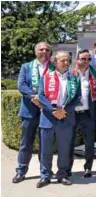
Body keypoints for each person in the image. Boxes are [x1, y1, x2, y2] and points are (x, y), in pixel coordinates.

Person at [36, 51, 81, 188]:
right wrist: (54, 110)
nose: (66, 63)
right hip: (48, 118)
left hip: (66, 118)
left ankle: (62, 174)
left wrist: (64, 110)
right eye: (63, 60)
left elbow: (77, 98)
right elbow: (41, 96)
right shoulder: (46, 77)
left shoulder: (74, 79)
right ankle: (45, 175)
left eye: (68, 60)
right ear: (55, 63)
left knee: (64, 149)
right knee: (46, 149)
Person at [13, 42, 54, 184]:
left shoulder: (54, 68)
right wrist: (34, 97)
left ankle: (45, 172)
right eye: (41, 49)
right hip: (29, 111)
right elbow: (21, 85)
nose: (44, 51)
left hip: (47, 112)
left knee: (45, 144)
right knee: (26, 143)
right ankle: (21, 171)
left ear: (50, 53)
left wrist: (44, 101)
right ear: (36, 51)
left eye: (47, 50)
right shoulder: (26, 67)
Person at [70, 49, 96, 178]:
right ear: (77, 59)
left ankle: (88, 168)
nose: (86, 61)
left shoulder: (94, 74)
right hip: (72, 114)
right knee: (69, 142)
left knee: (89, 143)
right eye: (83, 59)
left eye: (89, 59)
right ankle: (67, 168)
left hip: (88, 114)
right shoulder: (70, 73)